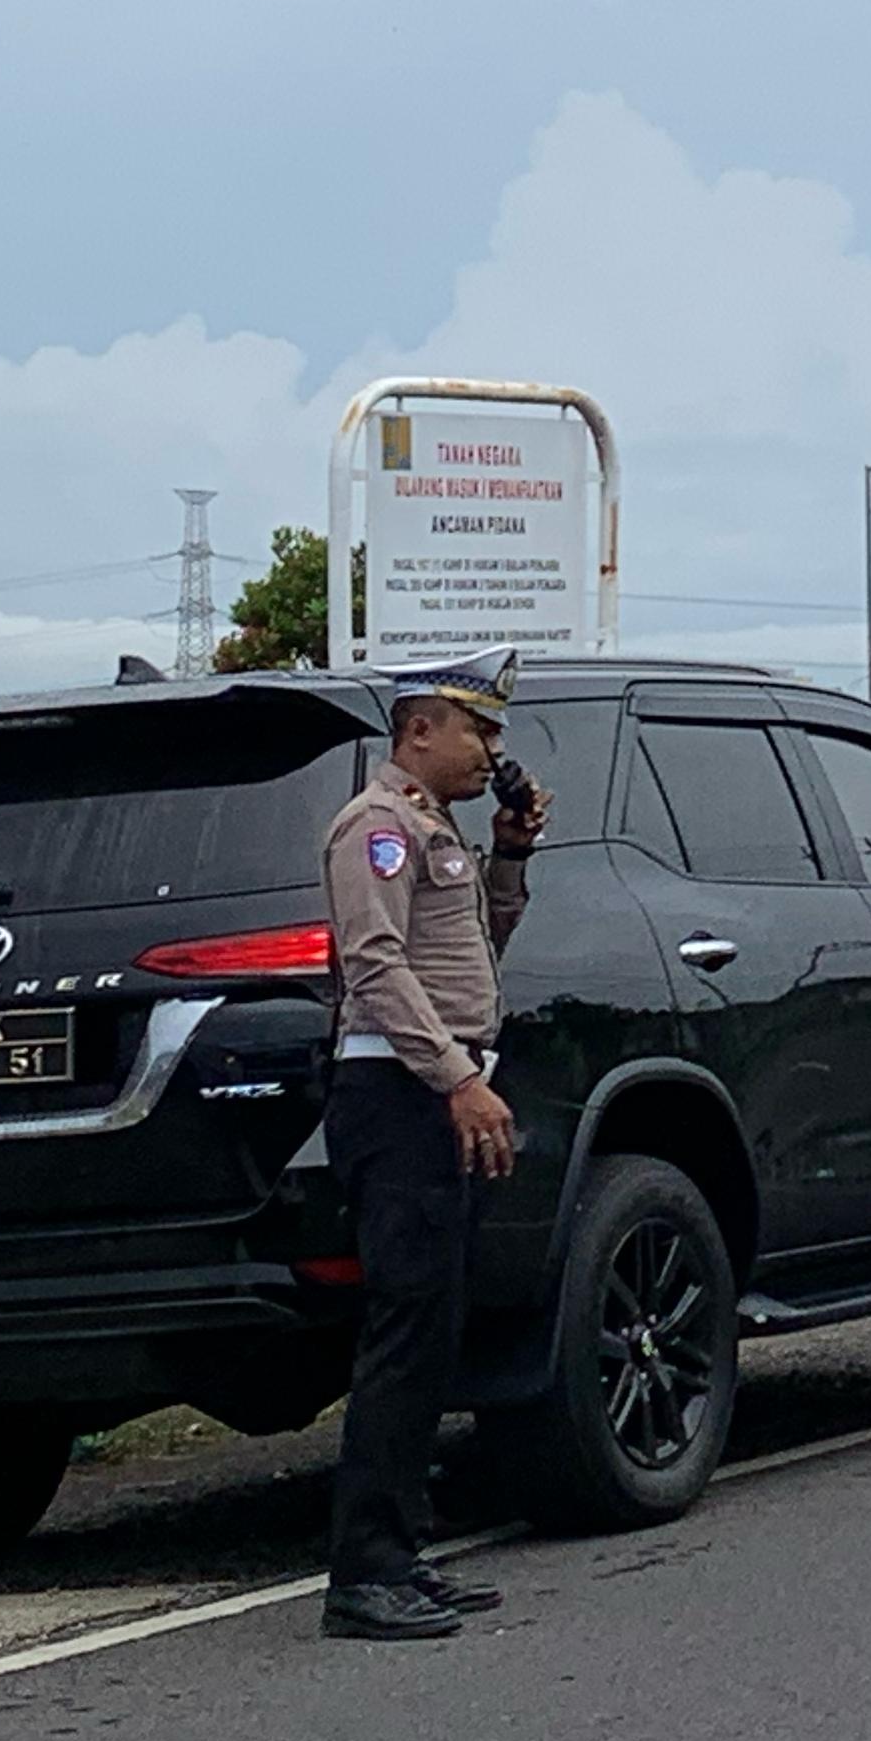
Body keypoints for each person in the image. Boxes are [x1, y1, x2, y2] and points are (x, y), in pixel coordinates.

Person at [318, 649, 542, 1642]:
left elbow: (476, 950)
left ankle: (403, 1550)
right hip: (399, 1095)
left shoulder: (433, 831)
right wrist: (457, 1080)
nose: (492, 747)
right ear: (418, 730)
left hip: (438, 1090)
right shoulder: (375, 831)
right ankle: (363, 1570)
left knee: (436, 1325)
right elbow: (374, 966)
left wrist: (509, 857)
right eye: (477, 728)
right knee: (404, 1330)